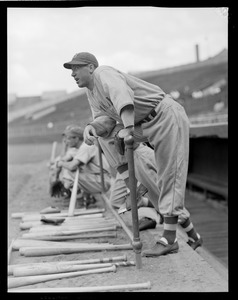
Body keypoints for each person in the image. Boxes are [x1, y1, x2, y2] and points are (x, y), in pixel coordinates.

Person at [63, 52, 203, 257]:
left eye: (77, 68)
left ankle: (170, 239)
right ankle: (133, 185)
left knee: (169, 174)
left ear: (91, 67)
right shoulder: (91, 92)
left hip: (164, 115)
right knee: (103, 135)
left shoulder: (104, 73)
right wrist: (91, 127)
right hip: (143, 124)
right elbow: (105, 121)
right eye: (71, 70)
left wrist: (128, 128)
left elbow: (124, 99)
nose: (73, 73)